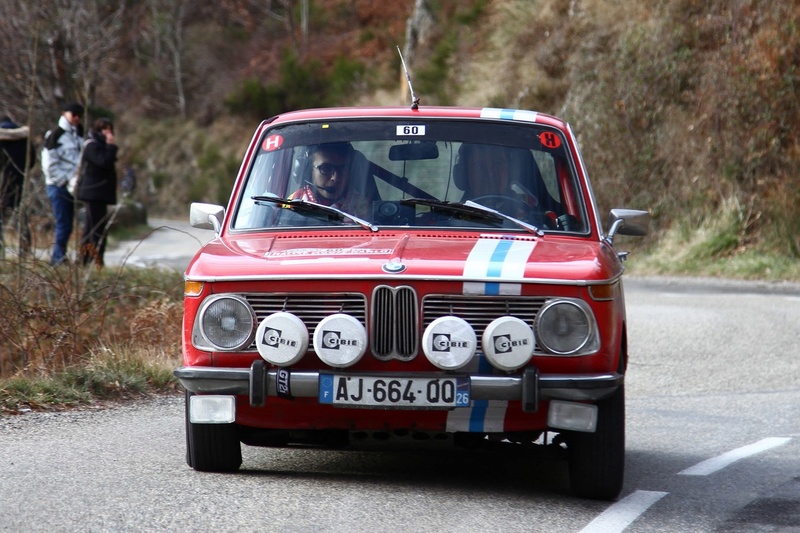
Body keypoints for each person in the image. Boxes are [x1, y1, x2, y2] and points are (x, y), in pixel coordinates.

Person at [43, 102, 84, 265]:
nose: (76, 118)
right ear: (64, 114)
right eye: (73, 114)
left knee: (69, 224)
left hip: (75, 186)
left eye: (79, 115)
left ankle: (62, 255)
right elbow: (48, 164)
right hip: (58, 186)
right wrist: (63, 182)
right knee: (63, 223)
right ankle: (57, 258)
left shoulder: (79, 134)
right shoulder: (54, 135)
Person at [76, 118, 118, 267]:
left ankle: (84, 260)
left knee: (90, 227)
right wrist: (111, 146)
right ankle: (97, 259)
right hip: (93, 193)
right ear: (98, 130)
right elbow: (104, 162)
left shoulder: (101, 145)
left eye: (110, 129)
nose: (108, 133)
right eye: (104, 129)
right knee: (97, 228)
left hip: (100, 194)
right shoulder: (92, 145)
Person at [288, 142, 370, 218]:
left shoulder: (362, 205)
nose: (336, 178)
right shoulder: (293, 203)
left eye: (343, 168)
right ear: (309, 171)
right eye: (326, 169)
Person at [0, 115, 35, 253]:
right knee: (21, 217)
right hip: (20, 182)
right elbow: (31, 160)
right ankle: (25, 248)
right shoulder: (24, 138)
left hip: (2, 183)